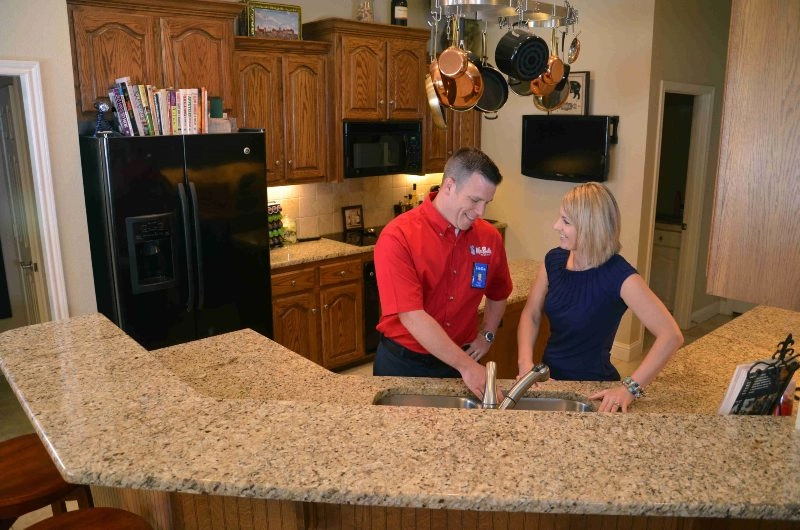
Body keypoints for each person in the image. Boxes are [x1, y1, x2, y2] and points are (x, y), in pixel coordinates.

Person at [517, 182, 683, 412]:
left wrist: (630, 389)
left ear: (589, 227)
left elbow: (671, 336)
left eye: (566, 221)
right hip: (549, 383)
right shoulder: (553, 261)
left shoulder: (620, 276)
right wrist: (525, 363)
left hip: (593, 390)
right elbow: (532, 314)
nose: (556, 226)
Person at [373, 147, 512, 399]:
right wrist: (468, 367)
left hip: (458, 363)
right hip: (404, 365)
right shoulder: (398, 236)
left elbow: (499, 292)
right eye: (474, 200)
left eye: (486, 203)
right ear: (449, 186)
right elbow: (412, 316)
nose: (481, 212)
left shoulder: (489, 238)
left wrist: (487, 335)